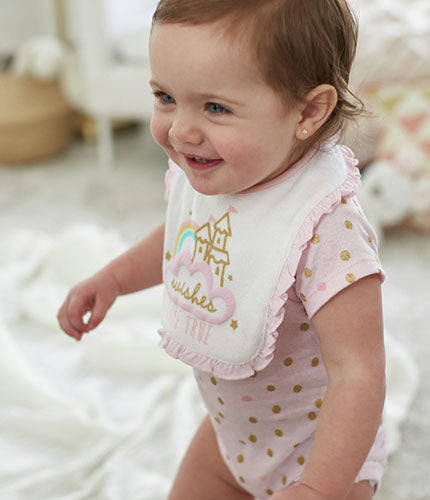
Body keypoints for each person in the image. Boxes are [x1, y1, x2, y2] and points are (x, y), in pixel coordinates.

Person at [57, 1, 387, 498]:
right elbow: (185, 240)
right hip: (230, 439)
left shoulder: (324, 229)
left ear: (308, 111)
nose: (180, 130)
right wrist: (115, 278)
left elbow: (359, 374)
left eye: (215, 107)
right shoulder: (211, 175)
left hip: (318, 455)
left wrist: (319, 488)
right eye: (165, 97)